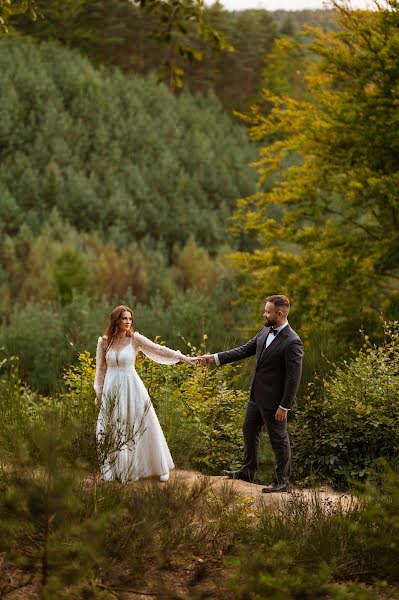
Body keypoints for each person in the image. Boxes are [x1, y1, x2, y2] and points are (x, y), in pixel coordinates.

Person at [197, 295, 303, 493]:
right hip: (256, 396)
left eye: (268, 311)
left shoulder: (292, 342)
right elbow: (244, 350)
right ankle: (248, 471)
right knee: (249, 430)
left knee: (278, 439)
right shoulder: (264, 330)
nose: (264, 314)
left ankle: (282, 481)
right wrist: (214, 358)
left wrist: (285, 406)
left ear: (279, 314)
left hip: (276, 402)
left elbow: (293, 378)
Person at [94, 305, 195, 483]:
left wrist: (182, 357)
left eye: (130, 319)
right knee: (111, 426)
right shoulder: (105, 342)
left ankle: (155, 466)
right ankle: (115, 467)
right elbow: (101, 369)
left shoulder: (135, 339)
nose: (128, 322)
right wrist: (99, 393)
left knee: (138, 424)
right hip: (111, 387)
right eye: (124, 318)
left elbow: (158, 349)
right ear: (116, 320)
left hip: (131, 387)